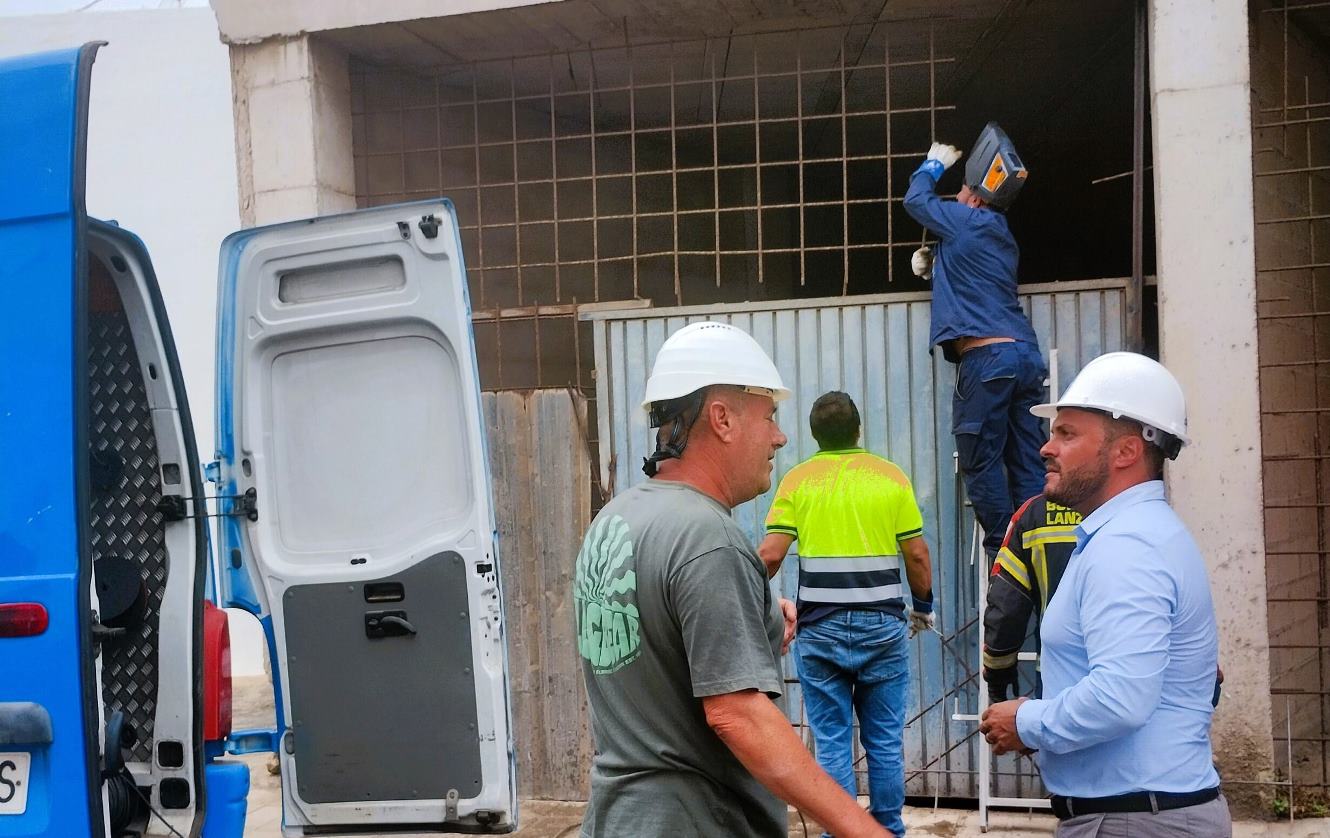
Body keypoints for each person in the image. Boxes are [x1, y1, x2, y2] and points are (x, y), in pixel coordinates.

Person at [575, 323, 891, 838]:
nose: (780, 436)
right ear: (721, 418)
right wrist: (866, 831)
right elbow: (737, 716)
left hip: (619, 820)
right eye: (769, 416)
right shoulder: (708, 538)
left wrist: (760, 618)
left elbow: (657, 648)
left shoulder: (616, 519)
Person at [978, 352, 1231, 837]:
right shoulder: (1129, 534)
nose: (1045, 448)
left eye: (1067, 433)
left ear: (1126, 452)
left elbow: (1120, 697)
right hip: (1141, 815)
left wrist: (1028, 721)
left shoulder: (1127, 546)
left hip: (1135, 821)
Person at [758, 391, 934, 838]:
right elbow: (915, 555)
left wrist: (750, 603)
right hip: (883, 628)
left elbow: (770, 556)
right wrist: (923, 609)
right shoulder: (890, 478)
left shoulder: (798, 481)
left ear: (815, 435)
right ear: (858, 430)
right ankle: (888, 830)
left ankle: (840, 833)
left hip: (820, 630)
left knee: (832, 742)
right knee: (885, 743)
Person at [903, 122, 1046, 558]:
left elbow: (916, 201)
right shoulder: (1002, 236)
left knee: (980, 462)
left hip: (988, 361)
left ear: (978, 198)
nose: (958, 196)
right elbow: (975, 278)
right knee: (1026, 462)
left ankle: (1008, 552)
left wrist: (931, 166)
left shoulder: (968, 219)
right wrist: (940, 265)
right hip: (1024, 356)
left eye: (963, 190)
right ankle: (1041, 547)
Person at [982, 495, 1081, 704]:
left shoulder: (1034, 514)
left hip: (1056, 684)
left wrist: (998, 676)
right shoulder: (1137, 511)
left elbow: (1006, 607)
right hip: (1130, 684)